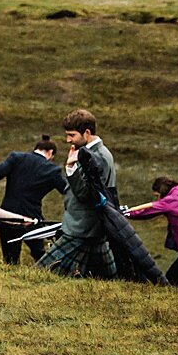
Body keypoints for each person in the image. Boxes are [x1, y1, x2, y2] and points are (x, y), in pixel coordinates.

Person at [40, 109, 118, 278]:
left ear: (87, 133)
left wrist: (70, 168)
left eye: (72, 135)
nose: (68, 140)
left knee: (40, 273)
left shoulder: (100, 156)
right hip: (88, 227)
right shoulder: (91, 153)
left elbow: (87, 194)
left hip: (82, 227)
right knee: (105, 277)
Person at [0, 135, 63, 263]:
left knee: (10, 260)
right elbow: (66, 189)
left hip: (9, 217)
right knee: (41, 257)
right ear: (50, 153)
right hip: (32, 218)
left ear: (36, 148)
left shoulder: (16, 158)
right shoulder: (52, 170)